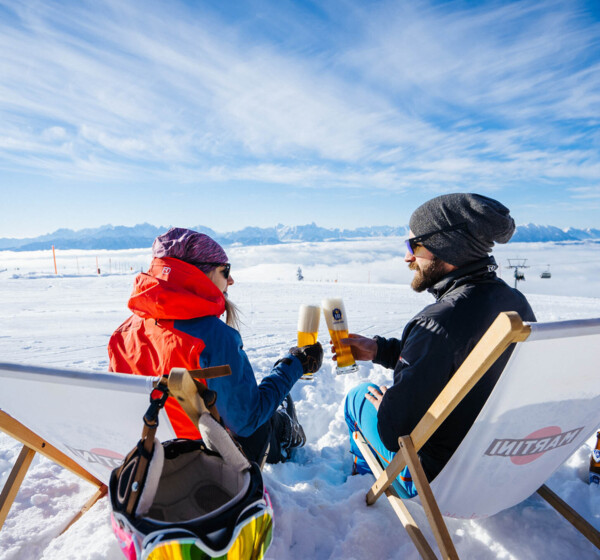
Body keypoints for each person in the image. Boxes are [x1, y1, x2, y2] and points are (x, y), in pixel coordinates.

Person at [339, 193, 536, 497]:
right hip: (501, 467)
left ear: (446, 246)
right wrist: (382, 350)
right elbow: (459, 361)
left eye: (413, 246)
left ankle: (370, 477)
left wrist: (385, 410)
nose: (407, 258)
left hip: (437, 479)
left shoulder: (437, 324)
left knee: (358, 397)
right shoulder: (515, 305)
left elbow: (392, 434)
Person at [108, 227, 323, 464]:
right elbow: (246, 421)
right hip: (203, 465)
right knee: (266, 414)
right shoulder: (214, 337)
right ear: (199, 274)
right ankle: (286, 432)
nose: (231, 280)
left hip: (145, 457)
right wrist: (293, 365)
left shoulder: (124, 333)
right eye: (225, 270)